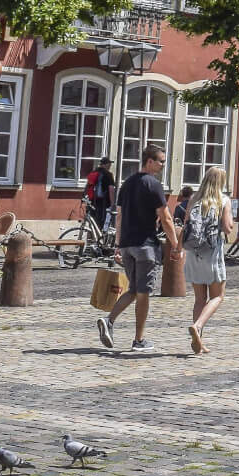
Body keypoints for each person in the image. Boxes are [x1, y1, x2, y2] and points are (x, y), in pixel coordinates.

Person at [97, 145, 178, 353]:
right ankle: (138, 339)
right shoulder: (153, 185)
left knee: (133, 289)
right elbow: (166, 217)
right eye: (160, 161)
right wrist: (175, 243)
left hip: (127, 246)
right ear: (149, 161)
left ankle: (109, 321)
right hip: (145, 246)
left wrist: (117, 244)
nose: (162, 165)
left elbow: (120, 216)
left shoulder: (127, 183)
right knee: (143, 292)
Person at [181, 166, 236, 355]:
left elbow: (187, 223)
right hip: (211, 253)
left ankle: (198, 342)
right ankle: (197, 326)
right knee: (218, 296)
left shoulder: (194, 199)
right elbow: (228, 228)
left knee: (199, 299)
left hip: (194, 253)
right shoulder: (223, 200)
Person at [84, 157, 116, 234]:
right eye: (109, 164)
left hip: (92, 202)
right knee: (103, 223)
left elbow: (87, 186)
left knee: (93, 223)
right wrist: (112, 204)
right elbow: (111, 189)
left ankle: (91, 239)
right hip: (103, 203)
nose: (110, 166)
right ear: (106, 164)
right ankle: (101, 241)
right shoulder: (108, 174)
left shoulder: (93, 173)